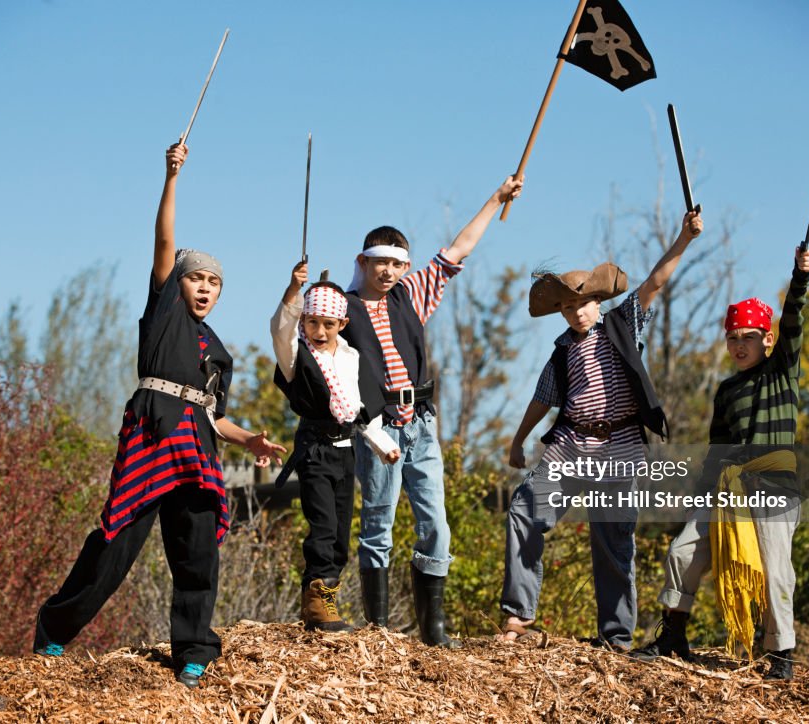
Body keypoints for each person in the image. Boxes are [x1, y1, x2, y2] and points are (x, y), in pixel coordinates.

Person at [33, 142, 285, 689]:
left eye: (214, 283)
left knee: (197, 556)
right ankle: (54, 627)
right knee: (114, 543)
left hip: (197, 450)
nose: (204, 288)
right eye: (197, 278)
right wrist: (171, 178)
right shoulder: (163, 313)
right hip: (151, 438)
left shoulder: (218, 351)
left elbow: (216, 416)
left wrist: (250, 441)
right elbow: (165, 240)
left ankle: (194, 650)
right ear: (179, 283)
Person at [500, 211, 703, 651]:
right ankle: (518, 616)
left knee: (612, 541)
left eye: (581, 303)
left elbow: (654, 282)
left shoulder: (621, 323)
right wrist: (518, 440)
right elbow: (543, 398)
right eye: (567, 307)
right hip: (571, 444)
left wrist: (683, 240)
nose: (575, 312)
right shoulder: (562, 351)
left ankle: (615, 636)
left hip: (621, 446)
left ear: (598, 301)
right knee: (524, 510)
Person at [340, 174, 523, 647]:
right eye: (378, 263)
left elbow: (457, 250)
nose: (387, 272)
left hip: (421, 422)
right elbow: (309, 348)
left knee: (435, 523)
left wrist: (495, 199)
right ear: (363, 262)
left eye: (395, 264)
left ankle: (433, 631)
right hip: (378, 428)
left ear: (404, 267)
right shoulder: (343, 308)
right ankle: (377, 629)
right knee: (378, 522)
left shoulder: (411, 294)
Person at [633, 245, 809, 682]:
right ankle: (673, 636)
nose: (739, 344)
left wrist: (800, 276)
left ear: (767, 340)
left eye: (748, 336)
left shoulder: (781, 372)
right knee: (682, 552)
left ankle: (780, 654)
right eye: (733, 337)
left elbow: (793, 319)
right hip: (728, 492)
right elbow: (716, 453)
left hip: (774, 491)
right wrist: (699, 499)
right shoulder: (726, 392)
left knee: (775, 573)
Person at [270, 261, 400, 632]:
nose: (320, 330)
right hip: (314, 450)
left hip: (346, 451)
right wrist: (294, 292)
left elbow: (362, 411)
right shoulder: (297, 355)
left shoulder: (351, 358)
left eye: (328, 324)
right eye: (312, 322)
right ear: (304, 323)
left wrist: (382, 444)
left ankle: (325, 597)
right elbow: (280, 330)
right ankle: (316, 599)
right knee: (323, 525)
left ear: (342, 324)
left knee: (342, 532)